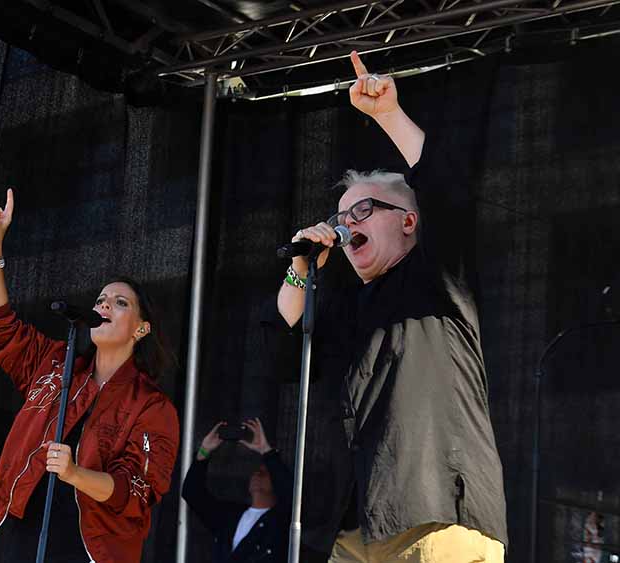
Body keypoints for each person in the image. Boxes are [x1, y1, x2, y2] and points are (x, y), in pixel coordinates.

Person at [274, 52, 508, 562]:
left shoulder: (437, 277)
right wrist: (302, 266)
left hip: (433, 511)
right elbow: (295, 317)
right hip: (355, 524)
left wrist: (386, 117)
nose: (345, 223)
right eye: (339, 215)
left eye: (362, 209)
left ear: (407, 221)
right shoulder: (352, 303)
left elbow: (444, 187)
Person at [0, 189, 180, 563]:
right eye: (101, 299)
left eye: (120, 303)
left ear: (141, 329)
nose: (104, 305)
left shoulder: (152, 406)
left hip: (87, 547)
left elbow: (134, 491)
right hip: (18, 530)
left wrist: (74, 473)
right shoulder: (56, 363)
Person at [182, 418, 327, 563]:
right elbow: (192, 493)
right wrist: (205, 450)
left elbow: (293, 498)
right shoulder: (229, 516)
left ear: (276, 482)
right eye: (256, 471)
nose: (258, 475)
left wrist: (266, 451)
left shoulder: (280, 521)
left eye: (264, 473)